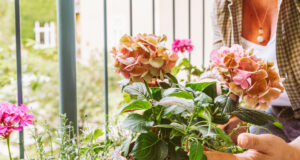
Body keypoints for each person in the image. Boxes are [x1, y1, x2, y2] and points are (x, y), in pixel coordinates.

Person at [205, 0, 300, 159]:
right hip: (279, 113)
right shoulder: (224, 5)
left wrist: (293, 152)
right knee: (255, 138)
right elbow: (217, 69)